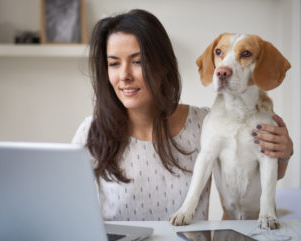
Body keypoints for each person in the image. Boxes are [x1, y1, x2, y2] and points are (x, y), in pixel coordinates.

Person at [72, 9, 293, 221]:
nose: (124, 76)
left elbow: (259, 171)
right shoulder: (91, 132)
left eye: (138, 62)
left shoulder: (203, 123)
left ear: (164, 66)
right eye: (113, 63)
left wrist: (283, 151)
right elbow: (63, 201)